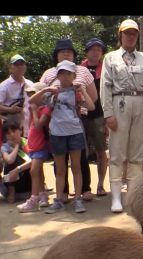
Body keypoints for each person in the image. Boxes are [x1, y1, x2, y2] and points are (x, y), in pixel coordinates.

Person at [100, 19, 143, 213]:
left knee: (137, 153)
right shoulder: (110, 58)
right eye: (127, 33)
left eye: (134, 33)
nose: (131, 36)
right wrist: (108, 113)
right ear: (120, 35)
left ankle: (132, 197)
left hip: (141, 103)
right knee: (117, 152)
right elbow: (105, 86)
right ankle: (116, 198)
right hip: (120, 102)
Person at [32, 60, 95, 214]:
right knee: (60, 169)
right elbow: (32, 101)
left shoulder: (77, 91)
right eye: (62, 73)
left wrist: (83, 91)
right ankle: (59, 199)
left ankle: (78, 199)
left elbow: (91, 106)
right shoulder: (53, 92)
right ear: (57, 75)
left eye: (68, 73)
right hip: (57, 133)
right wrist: (47, 89)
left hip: (74, 132)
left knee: (76, 167)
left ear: (74, 75)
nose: (65, 76)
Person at [40, 38, 97, 202]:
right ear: (56, 55)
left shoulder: (83, 71)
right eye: (62, 51)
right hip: (56, 120)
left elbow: (93, 97)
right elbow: (40, 97)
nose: (66, 53)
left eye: (69, 51)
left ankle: (84, 189)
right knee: (60, 159)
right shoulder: (48, 74)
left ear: (74, 54)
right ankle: (62, 192)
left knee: (80, 157)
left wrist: (81, 103)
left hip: (79, 118)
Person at [16, 82, 51, 213]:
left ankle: (33, 199)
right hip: (34, 146)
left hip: (41, 146)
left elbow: (38, 126)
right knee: (39, 172)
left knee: (34, 171)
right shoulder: (34, 109)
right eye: (30, 94)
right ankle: (42, 196)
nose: (31, 97)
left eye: (34, 94)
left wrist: (35, 112)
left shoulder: (45, 109)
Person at [81, 38, 108, 197]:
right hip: (81, 115)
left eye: (99, 49)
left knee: (101, 151)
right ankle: (84, 187)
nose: (96, 52)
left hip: (99, 115)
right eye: (93, 49)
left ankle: (100, 184)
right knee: (80, 152)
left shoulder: (106, 69)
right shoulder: (78, 69)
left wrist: (107, 118)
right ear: (87, 51)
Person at [0, 54, 33, 139]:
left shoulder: (30, 84)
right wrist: (10, 109)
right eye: (16, 65)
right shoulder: (4, 86)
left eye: (22, 64)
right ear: (10, 68)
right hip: (11, 130)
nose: (19, 67)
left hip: (29, 128)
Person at [0, 121, 32, 204]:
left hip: (26, 182)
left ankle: (33, 192)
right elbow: (9, 160)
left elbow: (33, 161)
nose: (12, 135)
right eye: (8, 133)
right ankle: (11, 191)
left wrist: (17, 169)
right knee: (12, 161)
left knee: (35, 164)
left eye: (14, 131)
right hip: (11, 183)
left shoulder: (27, 143)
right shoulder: (5, 147)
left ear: (20, 131)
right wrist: (16, 146)